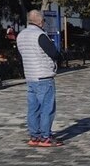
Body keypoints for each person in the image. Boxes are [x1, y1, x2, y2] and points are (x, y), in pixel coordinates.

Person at [16, 9, 63, 147]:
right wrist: (59, 59)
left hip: (30, 76)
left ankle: (34, 136)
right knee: (47, 108)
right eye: (43, 20)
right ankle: (45, 137)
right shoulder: (40, 35)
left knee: (33, 108)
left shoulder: (21, 35)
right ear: (39, 21)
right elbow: (54, 53)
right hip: (43, 76)